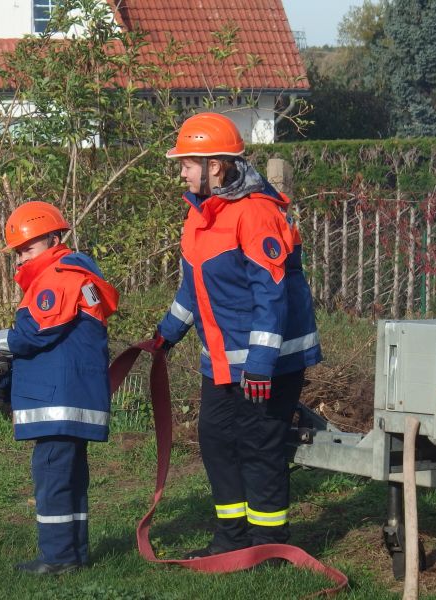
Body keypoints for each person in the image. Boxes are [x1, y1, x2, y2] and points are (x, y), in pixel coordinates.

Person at [152, 113, 321, 557]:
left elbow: (272, 295)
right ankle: (232, 537)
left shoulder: (257, 212)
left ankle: (267, 544)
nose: (182, 171)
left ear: (216, 166)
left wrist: (261, 365)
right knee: (214, 438)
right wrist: (166, 336)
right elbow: (193, 289)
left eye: (188, 163)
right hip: (224, 358)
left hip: (270, 359)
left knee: (257, 443)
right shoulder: (199, 216)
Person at [0, 201, 119, 574]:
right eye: (17, 252)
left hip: (58, 402)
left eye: (27, 249)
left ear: (54, 239)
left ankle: (57, 559)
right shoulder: (77, 275)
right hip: (72, 397)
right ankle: (74, 554)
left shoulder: (58, 277)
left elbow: (31, 336)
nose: (19, 260)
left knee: (52, 476)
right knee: (70, 478)